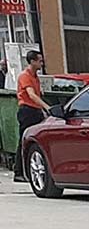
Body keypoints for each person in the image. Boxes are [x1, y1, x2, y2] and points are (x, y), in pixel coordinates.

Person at [12, 49, 46, 184]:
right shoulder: (25, 76)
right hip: (27, 110)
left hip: (35, 110)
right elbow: (31, 95)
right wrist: (46, 107)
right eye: (40, 61)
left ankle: (26, 170)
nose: (42, 63)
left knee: (34, 140)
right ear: (32, 61)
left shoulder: (35, 77)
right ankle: (18, 172)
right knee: (24, 140)